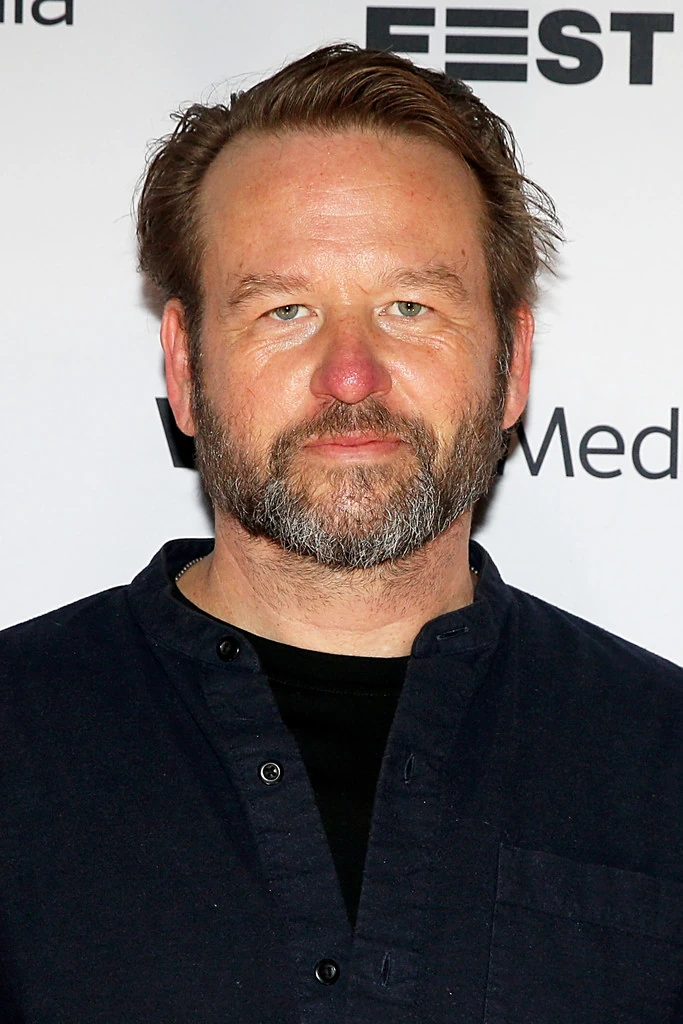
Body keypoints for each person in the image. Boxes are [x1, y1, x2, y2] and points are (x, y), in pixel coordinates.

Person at [2, 43, 683, 1024]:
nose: (350, 374)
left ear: (512, 363)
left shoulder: (662, 759)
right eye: (286, 310)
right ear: (185, 370)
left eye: (410, 306)